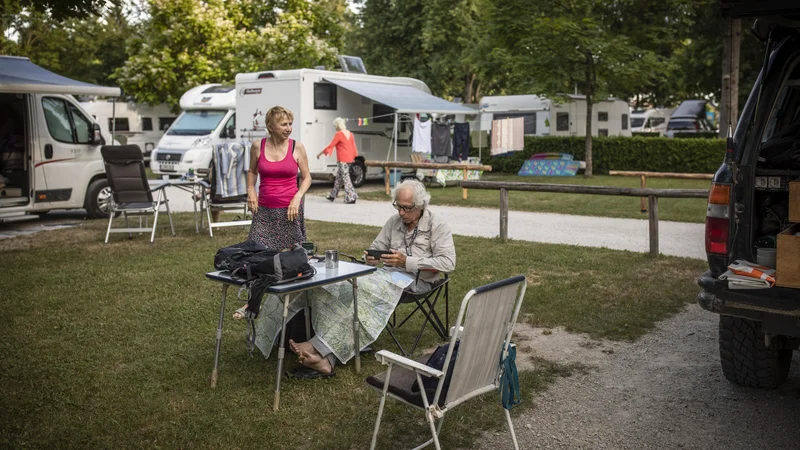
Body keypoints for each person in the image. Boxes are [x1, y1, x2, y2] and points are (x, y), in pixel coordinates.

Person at [284, 179, 456, 376]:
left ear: (420, 205)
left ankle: (316, 348)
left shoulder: (437, 225)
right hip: (386, 276)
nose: (401, 213)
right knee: (345, 289)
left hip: (418, 282)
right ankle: (325, 359)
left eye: (406, 208)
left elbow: (448, 263)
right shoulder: (394, 222)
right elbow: (375, 247)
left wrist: (406, 262)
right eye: (398, 206)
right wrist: (370, 258)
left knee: (359, 293)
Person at [233, 106, 312, 319]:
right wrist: (251, 190)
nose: (288, 128)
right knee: (257, 258)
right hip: (265, 213)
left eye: (289, 124)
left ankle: (293, 307)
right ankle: (252, 304)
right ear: (271, 126)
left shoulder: (297, 147)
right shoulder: (258, 146)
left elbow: (306, 177)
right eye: (283, 124)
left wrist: (297, 198)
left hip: (290, 213)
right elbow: (251, 171)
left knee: (293, 258)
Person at [316, 117, 358, 204]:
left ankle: (351, 197)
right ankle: (332, 195)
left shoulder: (338, 134)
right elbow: (353, 147)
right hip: (349, 159)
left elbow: (331, 145)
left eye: (335, 126)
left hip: (343, 160)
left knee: (346, 179)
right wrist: (353, 157)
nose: (335, 127)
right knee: (339, 178)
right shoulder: (350, 134)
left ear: (337, 126)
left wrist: (320, 153)